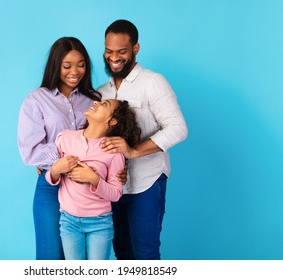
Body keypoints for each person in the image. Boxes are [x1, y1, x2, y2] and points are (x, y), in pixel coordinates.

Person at [98, 19, 188, 260]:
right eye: (108, 51)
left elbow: (178, 128)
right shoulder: (101, 92)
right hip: (113, 188)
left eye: (121, 52)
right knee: (123, 254)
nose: (113, 58)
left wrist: (133, 151)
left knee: (146, 256)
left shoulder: (153, 82)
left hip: (147, 184)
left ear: (135, 49)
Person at [17, 37, 102, 260]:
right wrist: (57, 163)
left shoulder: (94, 101)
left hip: (85, 189)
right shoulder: (36, 100)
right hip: (51, 187)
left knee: (82, 261)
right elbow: (30, 150)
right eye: (67, 66)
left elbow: (102, 144)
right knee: (51, 258)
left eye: (81, 64)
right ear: (56, 65)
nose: (75, 71)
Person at [45, 99, 141, 260]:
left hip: (100, 224)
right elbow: (51, 178)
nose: (97, 102)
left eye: (105, 104)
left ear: (112, 121)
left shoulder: (114, 152)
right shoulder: (65, 138)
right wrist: (56, 169)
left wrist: (94, 179)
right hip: (68, 222)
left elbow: (116, 194)